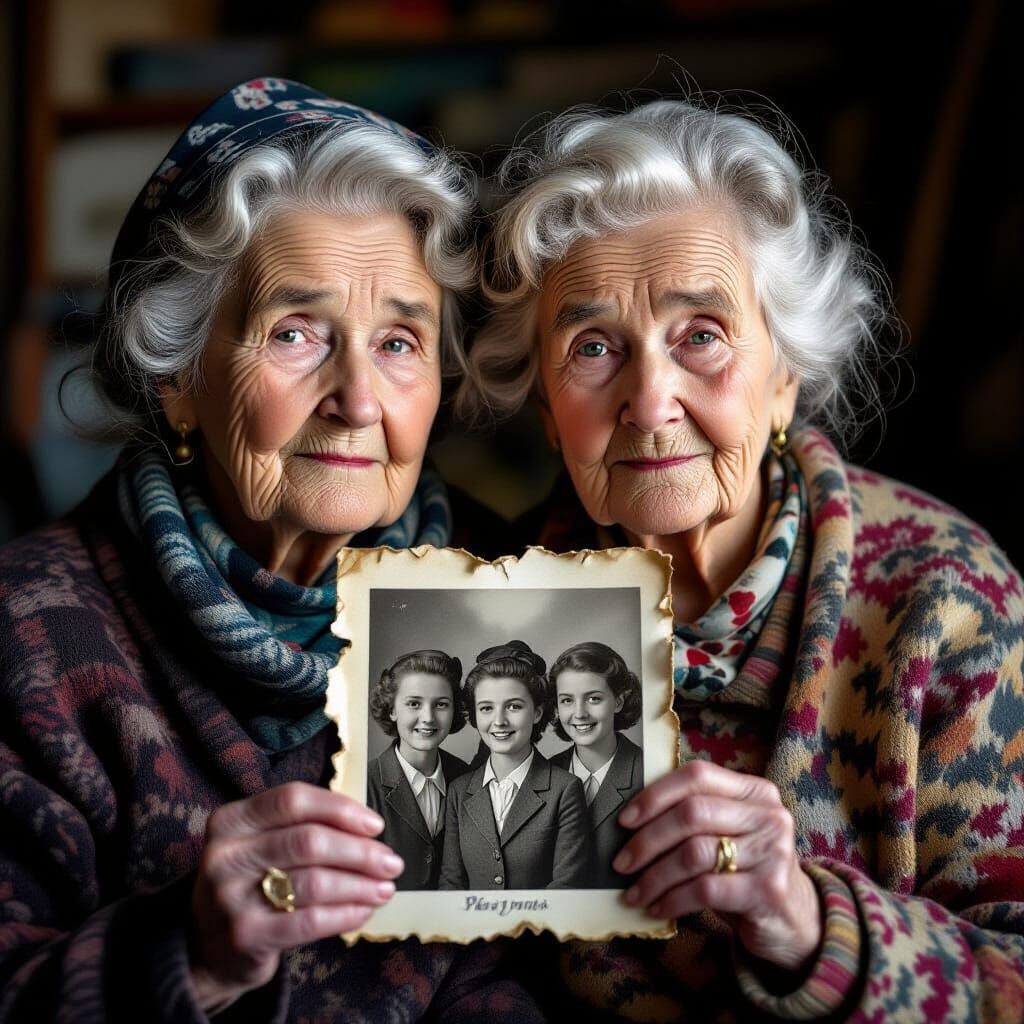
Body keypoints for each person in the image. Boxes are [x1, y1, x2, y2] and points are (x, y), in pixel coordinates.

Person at [462, 99, 1024, 1020]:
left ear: (784, 375)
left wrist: (803, 921)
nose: (650, 401)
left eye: (702, 336)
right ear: (543, 403)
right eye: (593, 346)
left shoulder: (946, 601)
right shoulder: (488, 607)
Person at [0, 80, 544, 1022]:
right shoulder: (29, 638)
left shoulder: (519, 596)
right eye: (295, 333)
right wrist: (185, 951)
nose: (359, 400)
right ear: (177, 378)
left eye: (400, 342)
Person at [439, 641, 591, 890]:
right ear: (475, 716)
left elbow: (567, 886)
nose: (499, 721)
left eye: (514, 706)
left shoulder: (565, 789)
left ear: (537, 712)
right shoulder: (459, 790)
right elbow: (451, 882)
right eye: (486, 708)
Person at [367, 649, 470, 889]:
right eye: (414, 703)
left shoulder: (467, 778)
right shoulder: (365, 783)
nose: (428, 718)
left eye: (441, 704)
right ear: (392, 709)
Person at [547, 641, 643, 889]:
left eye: (593, 698)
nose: (579, 713)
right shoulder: (543, 773)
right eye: (567, 700)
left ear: (619, 701)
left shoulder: (648, 772)